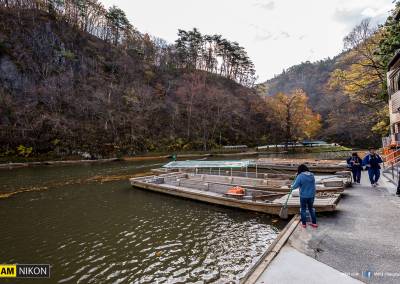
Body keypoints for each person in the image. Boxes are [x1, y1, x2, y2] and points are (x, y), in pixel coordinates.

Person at [292, 164, 317, 228]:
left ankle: (304, 224)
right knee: (311, 209)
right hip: (312, 195)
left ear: (299, 170)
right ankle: (314, 223)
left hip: (303, 196)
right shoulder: (312, 175)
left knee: (303, 209)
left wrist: (291, 186)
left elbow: (295, 186)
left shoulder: (300, 176)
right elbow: (313, 184)